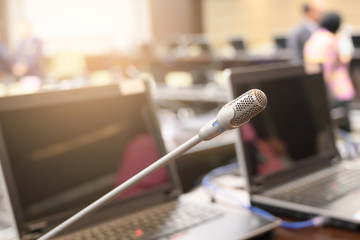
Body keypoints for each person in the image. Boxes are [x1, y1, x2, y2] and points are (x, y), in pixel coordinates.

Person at [304, 12, 356, 131]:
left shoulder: (314, 38)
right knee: (343, 123)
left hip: (317, 86)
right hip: (337, 86)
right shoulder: (333, 40)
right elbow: (343, 59)